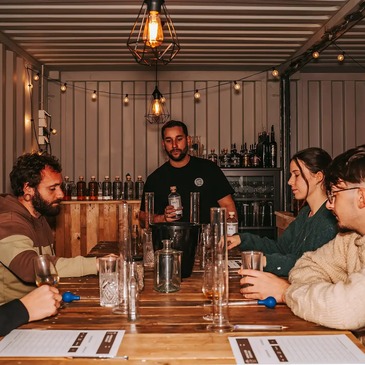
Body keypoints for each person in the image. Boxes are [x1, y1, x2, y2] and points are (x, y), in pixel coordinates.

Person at [239, 144, 365, 330]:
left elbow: (345, 309)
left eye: (335, 195)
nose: (330, 205)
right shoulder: (349, 240)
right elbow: (304, 266)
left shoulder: (335, 227)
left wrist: (286, 292)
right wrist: (318, 293)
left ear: (361, 197)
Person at [0, 153, 100, 305]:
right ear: (28, 189)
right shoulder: (9, 221)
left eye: (60, 187)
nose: (60, 194)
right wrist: (97, 264)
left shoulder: (38, 216)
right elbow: (31, 268)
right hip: (12, 319)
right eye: (52, 188)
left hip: (39, 307)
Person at [228, 147, 338, 276]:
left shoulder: (330, 219)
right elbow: (281, 248)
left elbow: (311, 266)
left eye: (296, 175)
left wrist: (265, 261)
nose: (290, 181)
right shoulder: (305, 213)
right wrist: (242, 239)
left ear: (318, 176)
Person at [139, 120, 237, 225]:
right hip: (170, 239)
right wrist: (162, 218)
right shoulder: (155, 178)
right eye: (169, 141)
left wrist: (230, 237)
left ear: (188, 140)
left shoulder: (209, 169)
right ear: (163, 144)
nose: (174, 145)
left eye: (179, 139)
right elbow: (142, 216)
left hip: (208, 238)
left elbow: (228, 206)